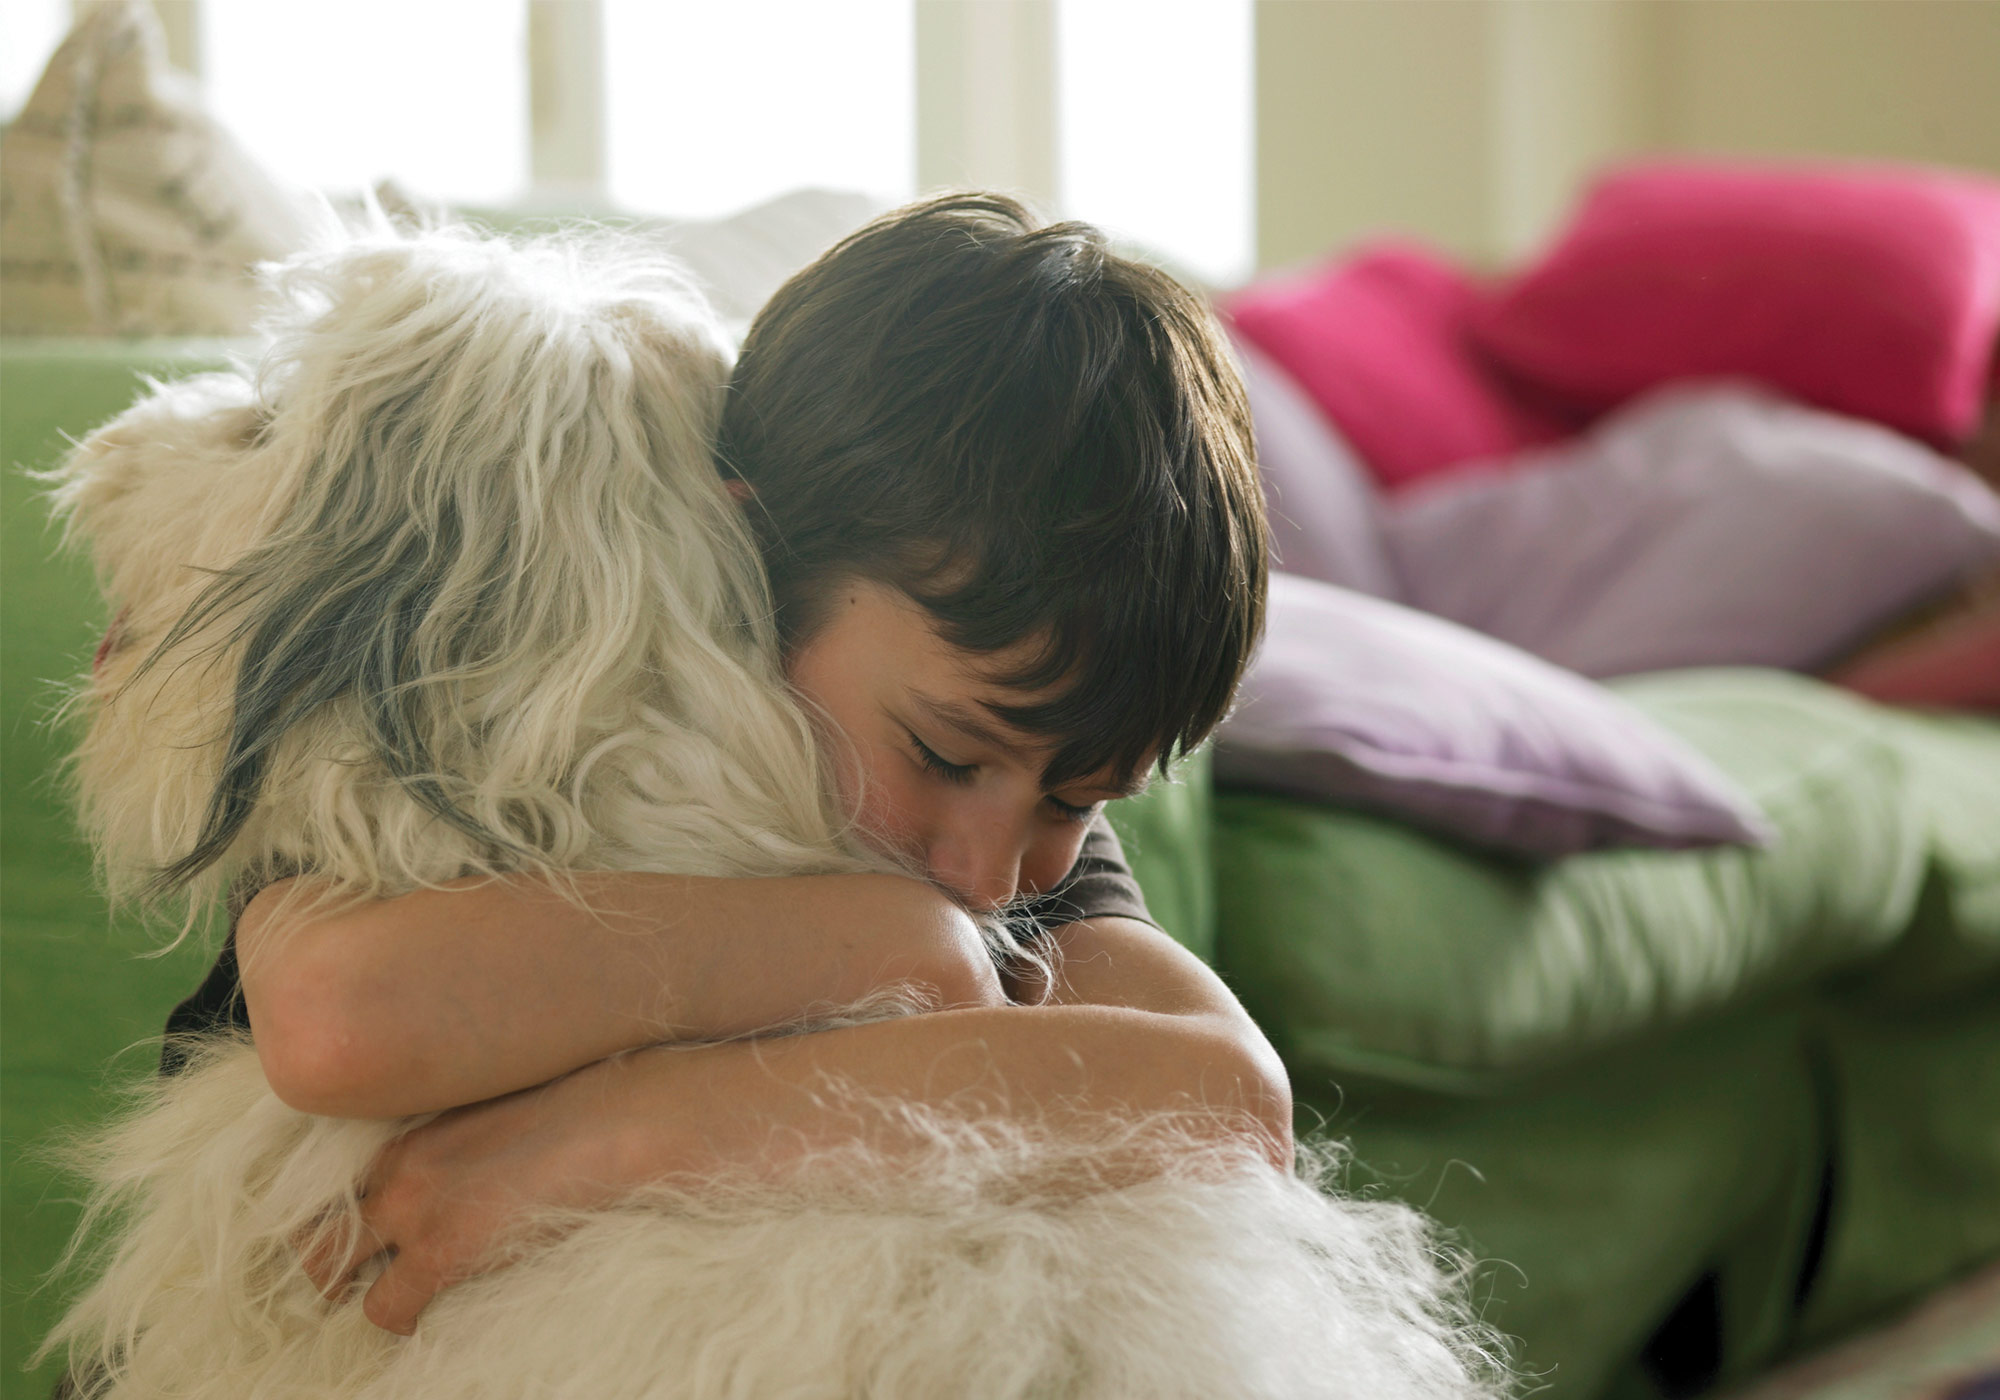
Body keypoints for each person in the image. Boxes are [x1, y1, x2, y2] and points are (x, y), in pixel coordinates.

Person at [161, 193, 1287, 1336]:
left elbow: (1230, 1104)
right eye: (946, 754)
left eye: (1079, 796)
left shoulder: (990, 800)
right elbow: (334, 1017)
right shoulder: (525, 699)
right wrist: (897, 947)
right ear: (747, 562)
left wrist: (609, 1138)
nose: (992, 875)